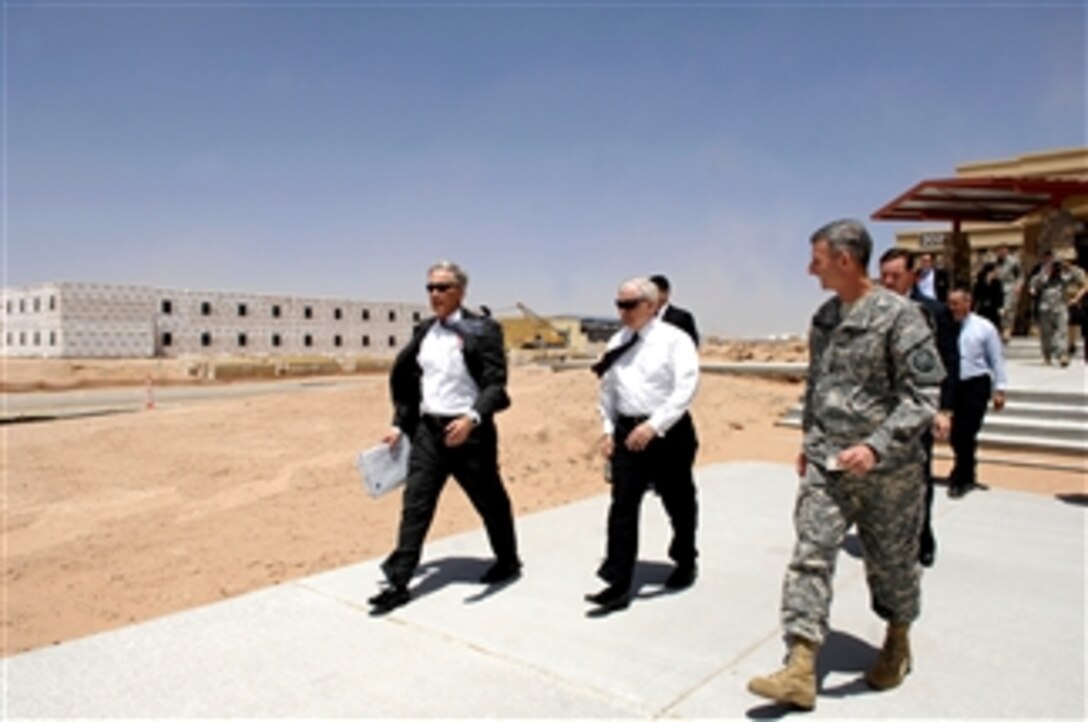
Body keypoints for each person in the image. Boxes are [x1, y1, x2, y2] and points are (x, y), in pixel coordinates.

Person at [748, 220, 943, 711]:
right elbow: (818, 385)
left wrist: (877, 446)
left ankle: (897, 642)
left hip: (889, 472)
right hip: (827, 463)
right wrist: (808, 440)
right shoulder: (824, 317)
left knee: (893, 564)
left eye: (817, 258)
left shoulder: (903, 317)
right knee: (810, 555)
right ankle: (800, 665)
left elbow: (922, 397)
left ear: (844, 259)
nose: (809, 268)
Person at [368, 261, 521, 614]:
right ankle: (399, 581)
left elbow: (496, 386)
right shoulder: (424, 332)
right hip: (429, 432)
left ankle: (508, 560)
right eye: (430, 288)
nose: (434, 294)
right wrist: (398, 425)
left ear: (460, 291)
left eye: (442, 287)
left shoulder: (483, 330)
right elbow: (413, 385)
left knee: (490, 501)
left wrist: (471, 418)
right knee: (415, 505)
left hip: (470, 434)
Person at [586, 277, 700, 614]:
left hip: (668, 432)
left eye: (630, 305)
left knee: (678, 501)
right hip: (627, 432)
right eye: (619, 304)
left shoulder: (674, 340)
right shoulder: (617, 342)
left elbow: (686, 388)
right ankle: (618, 583)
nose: (623, 311)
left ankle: (684, 560)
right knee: (622, 506)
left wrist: (654, 426)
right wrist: (608, 430)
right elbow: (607, 392)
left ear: (651, 306)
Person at [878, 248, 958, 567]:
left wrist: (944, 409)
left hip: (916, 408)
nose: (887, 281)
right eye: (883, 275)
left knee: (917, 477)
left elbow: (948, 362)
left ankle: (922, 537)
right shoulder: (870, 310)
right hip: (879, 410)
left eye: (895, 275)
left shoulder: (934, 313)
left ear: (914, 275)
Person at [945, 287, 1007, 499]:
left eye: (956, 303)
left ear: (967, 303)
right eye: (950, 303)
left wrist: (1000, 389)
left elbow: (996, 359)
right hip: (953, 384)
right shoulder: (946, 327)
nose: (952, 308)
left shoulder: (984, 328)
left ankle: (961, 476)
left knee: (966, 431)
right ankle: (966, 469)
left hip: (976, 383)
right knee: (955, 434)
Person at [1029, 249, 1088, 367]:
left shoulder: (1067, 273)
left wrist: (1076, 298)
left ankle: (1062, 355)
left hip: (1061, 305)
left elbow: (1083, 283)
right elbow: (1033, 288)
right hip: (1045, 307)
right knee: (1046, 333)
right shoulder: (1043, 273)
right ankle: (1047, 355)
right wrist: (1045, 274)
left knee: (1062, 331)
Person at [649, 274, 700, 346]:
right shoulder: (643, 317)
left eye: (654, 292)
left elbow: (692, 344)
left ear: (666, 293)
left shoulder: (682, 318)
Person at [993, 245, 1022, 342]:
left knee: (1008, 309)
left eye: (1003, 251)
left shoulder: (1014, 262)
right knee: (999, 310)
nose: (1001, 253)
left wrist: (1018, 286)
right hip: (997, 288)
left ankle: (1007, 330)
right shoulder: (994, 262)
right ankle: (1000, 329)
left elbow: (1020, 275)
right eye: (999, 251)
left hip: (1010, 287)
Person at [971, 262, 1004, 332]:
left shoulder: (997, 282)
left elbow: (1000, 295)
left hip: (993, 307)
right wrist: (973, 308)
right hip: (983, 307)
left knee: (994, 325)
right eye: (994, 271)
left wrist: (1001, 307)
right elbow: (975, 296)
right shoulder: (979, 283)